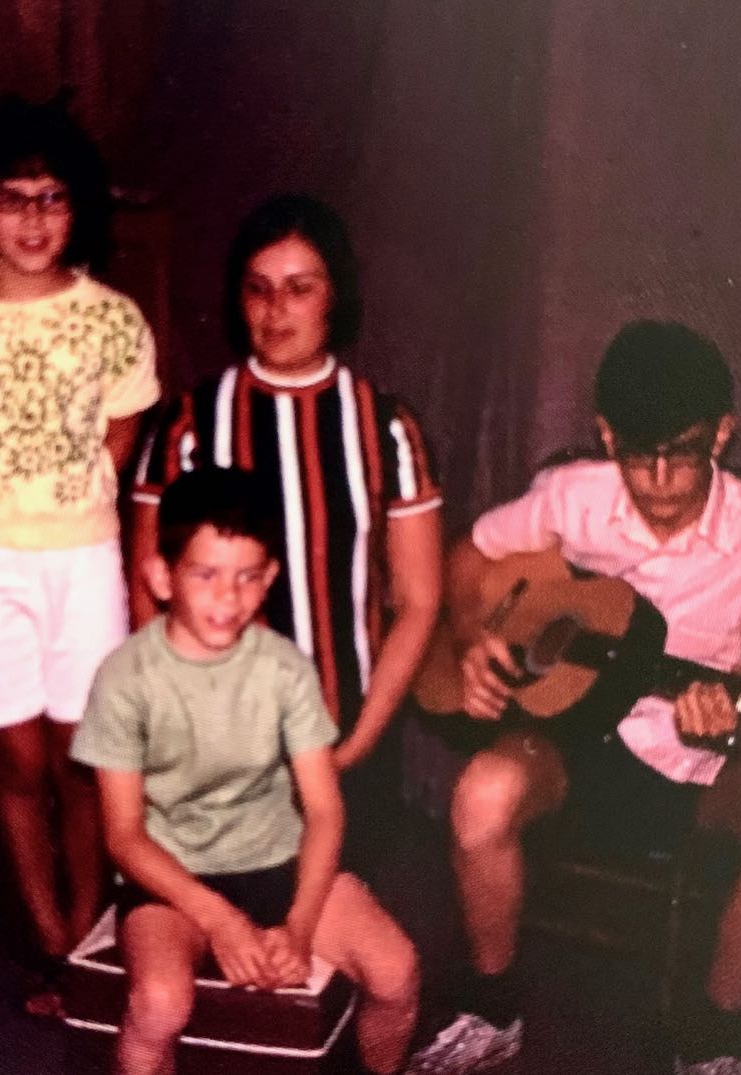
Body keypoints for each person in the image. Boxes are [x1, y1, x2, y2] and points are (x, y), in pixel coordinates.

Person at [422, 321, 741, 1075]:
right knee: (480, 795)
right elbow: (470, 553)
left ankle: (710, 1038)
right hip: (567, 739)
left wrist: (730, 726)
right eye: (640, 455)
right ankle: (494, 1008)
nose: (661, 479)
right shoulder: (571, 495)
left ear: (723, 433)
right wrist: (473, 636)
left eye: (685, 451)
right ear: (607, 436)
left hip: (694, 763)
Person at [0, 98, 159, 1015]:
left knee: (83, 758)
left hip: (82, 555)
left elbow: (125, 422)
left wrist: (84, 488)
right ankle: (46, 937)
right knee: (16, 761)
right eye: (13, 199)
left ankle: (92, 933)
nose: (36, 220)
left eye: (53, 198)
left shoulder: (112, 317)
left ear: (78, 206)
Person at [72, 467, 421, 1075]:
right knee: (159, 1005)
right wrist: (222, 920)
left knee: (397, 971)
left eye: (247, 577)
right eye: (205, 575)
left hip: (276, 861)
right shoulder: (125, 679)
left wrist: (299, 926)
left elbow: (324, 811)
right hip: (172, 880)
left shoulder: (286, 670)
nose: (227, 598)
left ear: (270, 578)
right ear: (161, 577)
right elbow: (124, 836)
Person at [129, 194, 442, 871]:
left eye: (300, 289)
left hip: (349, 733)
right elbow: (147, 591)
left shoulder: (385, 426)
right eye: (259, 289)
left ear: (336, 297)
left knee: (342, 921)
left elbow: (419, 600)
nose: (276, 311)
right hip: (216, 750)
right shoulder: (187, 425)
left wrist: (358, 743)